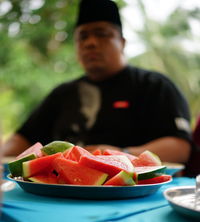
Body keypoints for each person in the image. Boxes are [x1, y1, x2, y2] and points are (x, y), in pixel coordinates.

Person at [3, 0, 192, 163]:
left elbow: (180, 147)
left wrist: (119, 155)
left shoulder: (154, 86)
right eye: (82, 36)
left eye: (101, 33)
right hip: (61, 192)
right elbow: (22, 139)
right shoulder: (62, 94)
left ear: (122, 42)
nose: (90, 43)